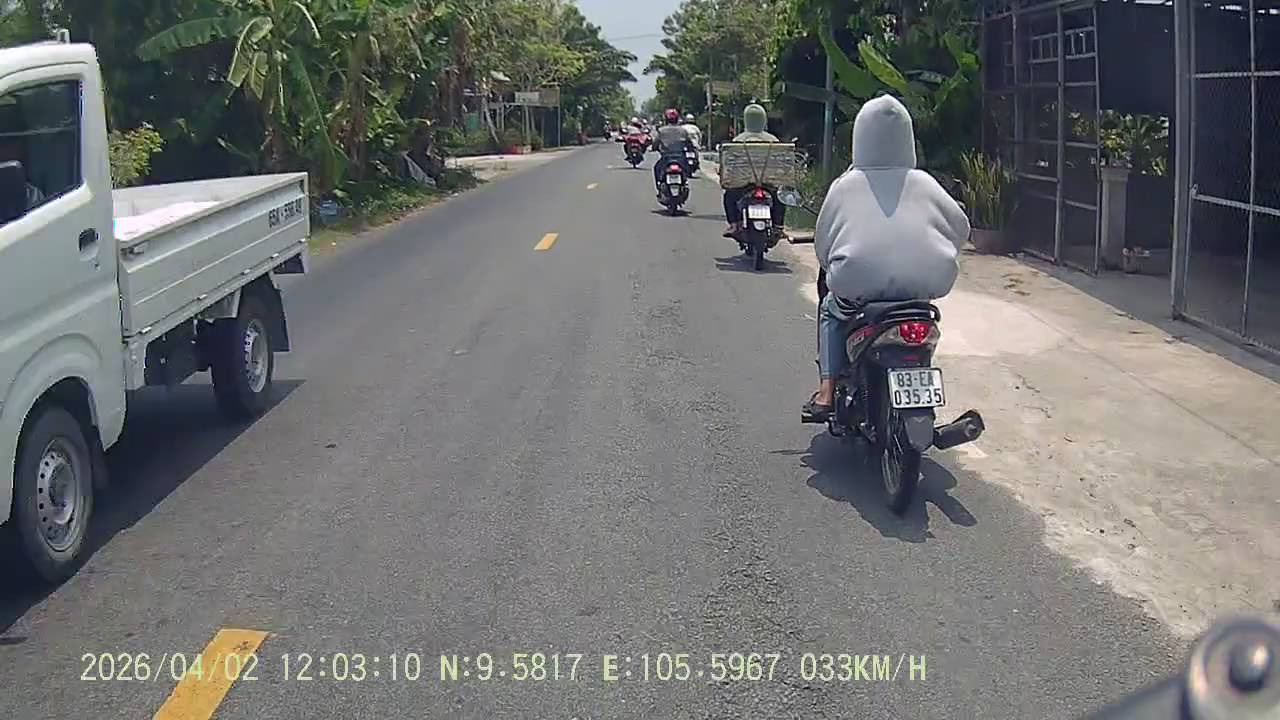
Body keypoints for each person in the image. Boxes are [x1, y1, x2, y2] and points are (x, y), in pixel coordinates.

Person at [801, 95, 971, 422]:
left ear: (861, 136)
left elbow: (823, 245)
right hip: (919, 292)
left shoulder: (845, 186)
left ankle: (826, 391)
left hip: (860, 290)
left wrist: (832, 264)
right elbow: (961, 228)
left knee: (830, 311)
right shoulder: (925, 183)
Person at [721, 103, 784, 238]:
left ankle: (734, 225)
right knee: (779, 198)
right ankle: (778, 226)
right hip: (768, 184)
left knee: (729, 197)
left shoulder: (738, 140)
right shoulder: (773, 140)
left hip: (743, 185)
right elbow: (780, 163)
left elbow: (730, 164)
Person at [652, 108, 694, 195]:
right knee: (687, 172)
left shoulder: (661, 130)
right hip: (680, 158)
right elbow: (689, 144)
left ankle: (659, 188)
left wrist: (654, 148)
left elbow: (655, 143)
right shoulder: (683, 131)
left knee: (656, 169)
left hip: (666, 158)